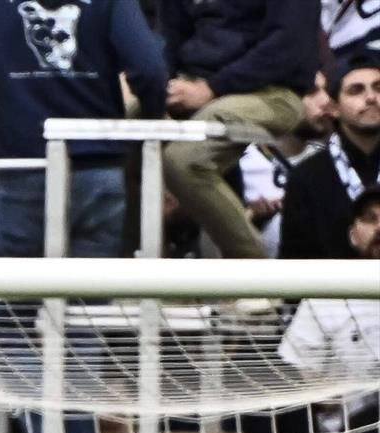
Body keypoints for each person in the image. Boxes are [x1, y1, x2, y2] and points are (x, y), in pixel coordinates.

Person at [0, 0, 166, 260]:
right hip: (97, 165)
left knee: (11, 295)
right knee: (88, 294)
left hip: (22, 164)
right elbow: (150, 71)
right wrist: (149, 129)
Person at [158, 0, 315, 260]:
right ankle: (124, 273)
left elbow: (288, 44)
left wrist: (212, 88)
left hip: (273, 89)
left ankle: (254, 276)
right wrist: (159, 88)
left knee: (185, 158)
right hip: (192, 81)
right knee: (118, 114)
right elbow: (171, 38)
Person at [281, 54, 380, 261]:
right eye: (356, 90)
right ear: (334, 108)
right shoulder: (305, 178)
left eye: (378, 87)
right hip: (332, 292)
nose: (371, 97)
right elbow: (294, 269)